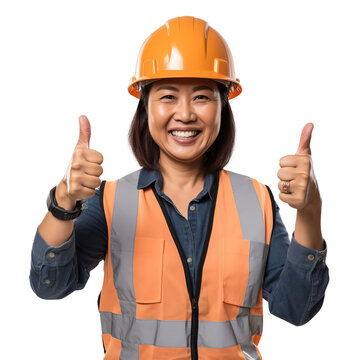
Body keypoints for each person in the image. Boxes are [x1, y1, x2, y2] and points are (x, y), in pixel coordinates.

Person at [30, 16, 329, 359]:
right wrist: (63, 201)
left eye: (202, 96)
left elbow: (297, 307)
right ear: (145, 106)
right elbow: (49, 284)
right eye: (168, 96)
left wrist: (310, 211)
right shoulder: (114, 201)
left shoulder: (255, 200)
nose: (185, 114)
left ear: (223, 107)